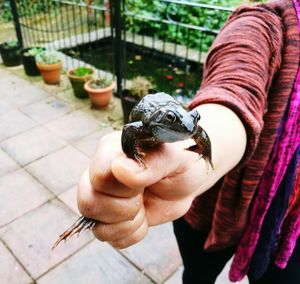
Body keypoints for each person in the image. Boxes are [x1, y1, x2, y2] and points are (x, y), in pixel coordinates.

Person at [76, 0, 300, 283]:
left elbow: (196, 128)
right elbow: (234, 94)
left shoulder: (189, 125)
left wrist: (199, 142)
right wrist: (191, 161)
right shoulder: (266, 23)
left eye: (192, 123)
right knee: (196, 276)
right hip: (210, 213)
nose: (189, 129)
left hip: (283, 229)